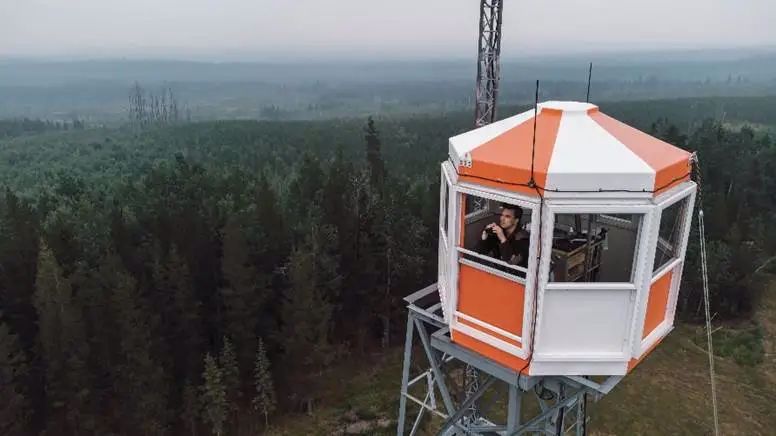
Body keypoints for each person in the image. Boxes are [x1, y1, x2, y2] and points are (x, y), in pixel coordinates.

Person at [476, 203, 530, 271]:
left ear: (516, 220)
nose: (502, 219)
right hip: (497, 270)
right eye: (502, 215)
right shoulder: (500, 231)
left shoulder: (523, 238)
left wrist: (502, 238)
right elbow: (480, 251)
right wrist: (484, 237)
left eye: (507, 216)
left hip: (514, 275)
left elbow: (512, 261)